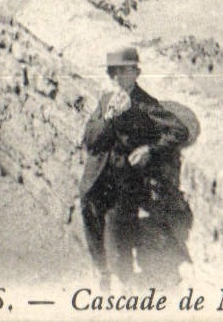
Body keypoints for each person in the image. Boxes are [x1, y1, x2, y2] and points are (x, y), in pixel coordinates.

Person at [79, 46, 196, 289]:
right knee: (90, 218)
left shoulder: (146, 105)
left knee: (118, 232)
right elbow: (89, 140)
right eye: (113, 73)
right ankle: (101, 270)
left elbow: (179, 131)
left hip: (125, 181)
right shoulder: (106, 100)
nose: (116, 78)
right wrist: (109, 117)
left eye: (123, 72)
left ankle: (123, 282)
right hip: (97, 176)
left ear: (136, 73)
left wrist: (149, 149)